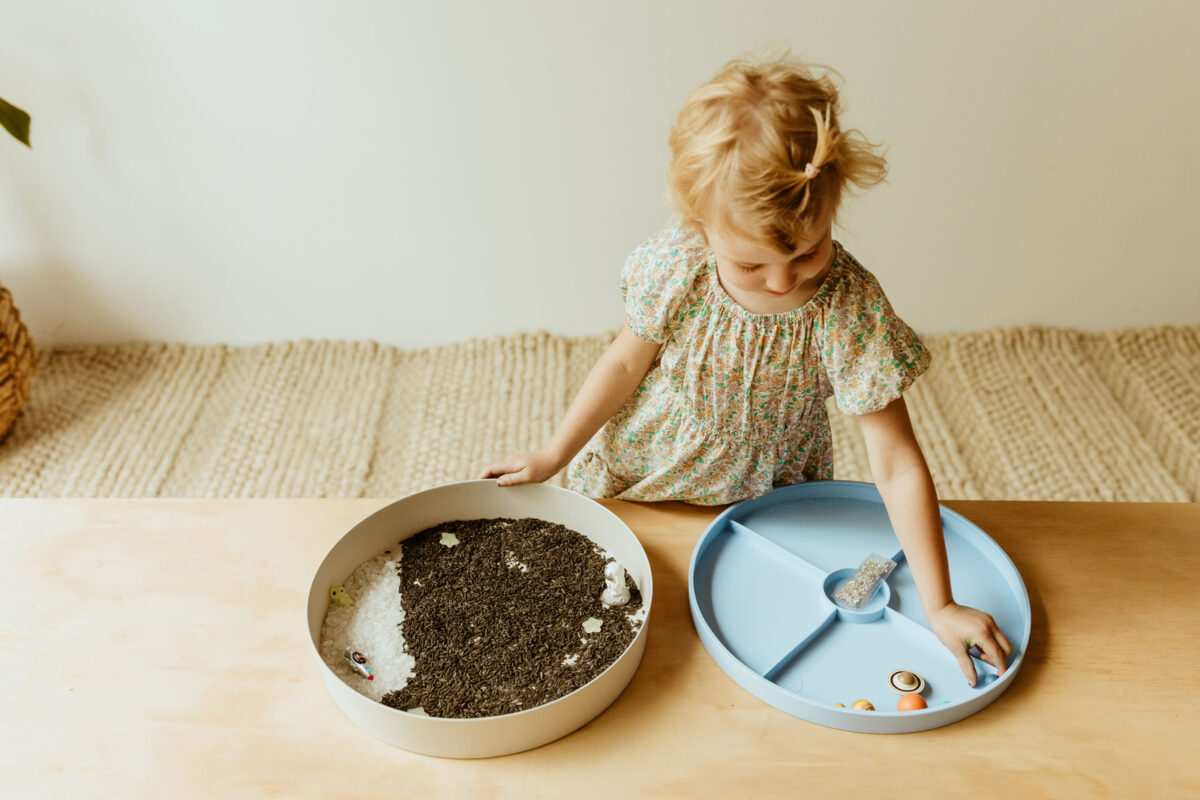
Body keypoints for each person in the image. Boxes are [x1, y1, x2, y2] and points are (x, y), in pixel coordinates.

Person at [481, 53, 1012, 686]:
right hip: (650, 471)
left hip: (771, 495)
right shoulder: (679, 266)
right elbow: (624, 361)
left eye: (807, 252)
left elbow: (896, 461)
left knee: (751, 628)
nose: (783, 282)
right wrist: (553, 454)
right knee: (622, 618)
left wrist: (941, 604)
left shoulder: (849, 306)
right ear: (700, 228)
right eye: (750, 265)